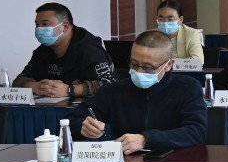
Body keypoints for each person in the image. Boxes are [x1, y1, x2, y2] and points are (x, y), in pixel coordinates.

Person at [67, 30, 207, 153]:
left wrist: (146, 139)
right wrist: (82, 126)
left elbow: (197, 132)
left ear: (168, 65)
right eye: (134, 63)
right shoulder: (114, 90)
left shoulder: (187, 87)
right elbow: (70, 122)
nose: (139, 71)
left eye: (148, 67)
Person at [15, 2, 115, 99]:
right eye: (37, 25)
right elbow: (18, 80)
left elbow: (110, 85)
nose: (39, 29)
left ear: (65, 27)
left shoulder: (89, 49)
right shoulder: (43, 50)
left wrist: (69, 90)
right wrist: (35, 86)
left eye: (45, 24)